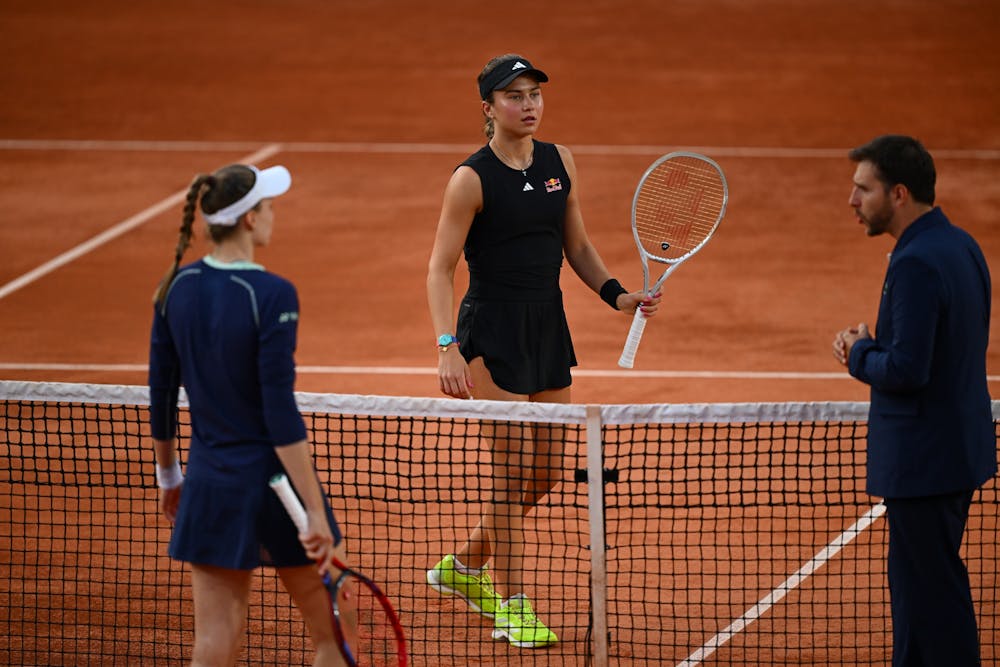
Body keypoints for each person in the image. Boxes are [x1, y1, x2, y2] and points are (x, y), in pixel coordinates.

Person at [425, 54, 661, 649]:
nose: (528, 105)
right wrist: (447, 346)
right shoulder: (470, 179)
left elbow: (575, 242)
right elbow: (439, 268)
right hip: (490, 332)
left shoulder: (560, 162)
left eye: (534, 94)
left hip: (547, 325)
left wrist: (617, 295)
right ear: (488, 108)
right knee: (507, 475)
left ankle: (462, 567)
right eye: (514, 96)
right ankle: (513, 603)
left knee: (545, 473)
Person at [148, 163, 352, 666]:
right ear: (248, 221)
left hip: (211, 483)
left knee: (215, 641)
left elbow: (160, 393)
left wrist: (170, 476)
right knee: (338, 630)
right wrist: (316, 512)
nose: (272, 215)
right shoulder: (272, 294)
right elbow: (279, 413)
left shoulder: (174, 288)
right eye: (268, 207)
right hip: (274, 484)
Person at [832, 134, 996, 666]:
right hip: (955, 453)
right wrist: (878, 346)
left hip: (923, 463)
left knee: (929, 600)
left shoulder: (915, 263)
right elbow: (950, 348)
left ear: (899, 194)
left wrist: (859, 353)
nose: (853, 202)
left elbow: (907, 370)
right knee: (926, 596)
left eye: (864, 190)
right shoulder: (961, 245)